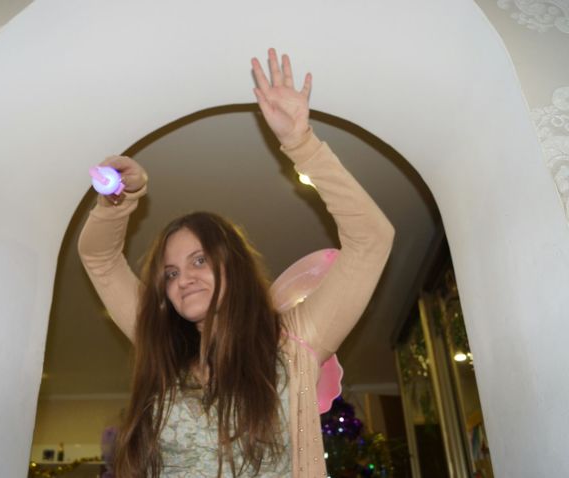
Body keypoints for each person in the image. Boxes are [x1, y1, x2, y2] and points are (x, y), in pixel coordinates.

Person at [78, 48, 395, 478]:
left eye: (199, 260)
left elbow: (372, 238)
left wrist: (301, 143)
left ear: (233, 267)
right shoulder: (160, 346)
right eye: (170, 273)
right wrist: (119, 200)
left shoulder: (295, 346)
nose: (183, 279)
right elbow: (98, 256)